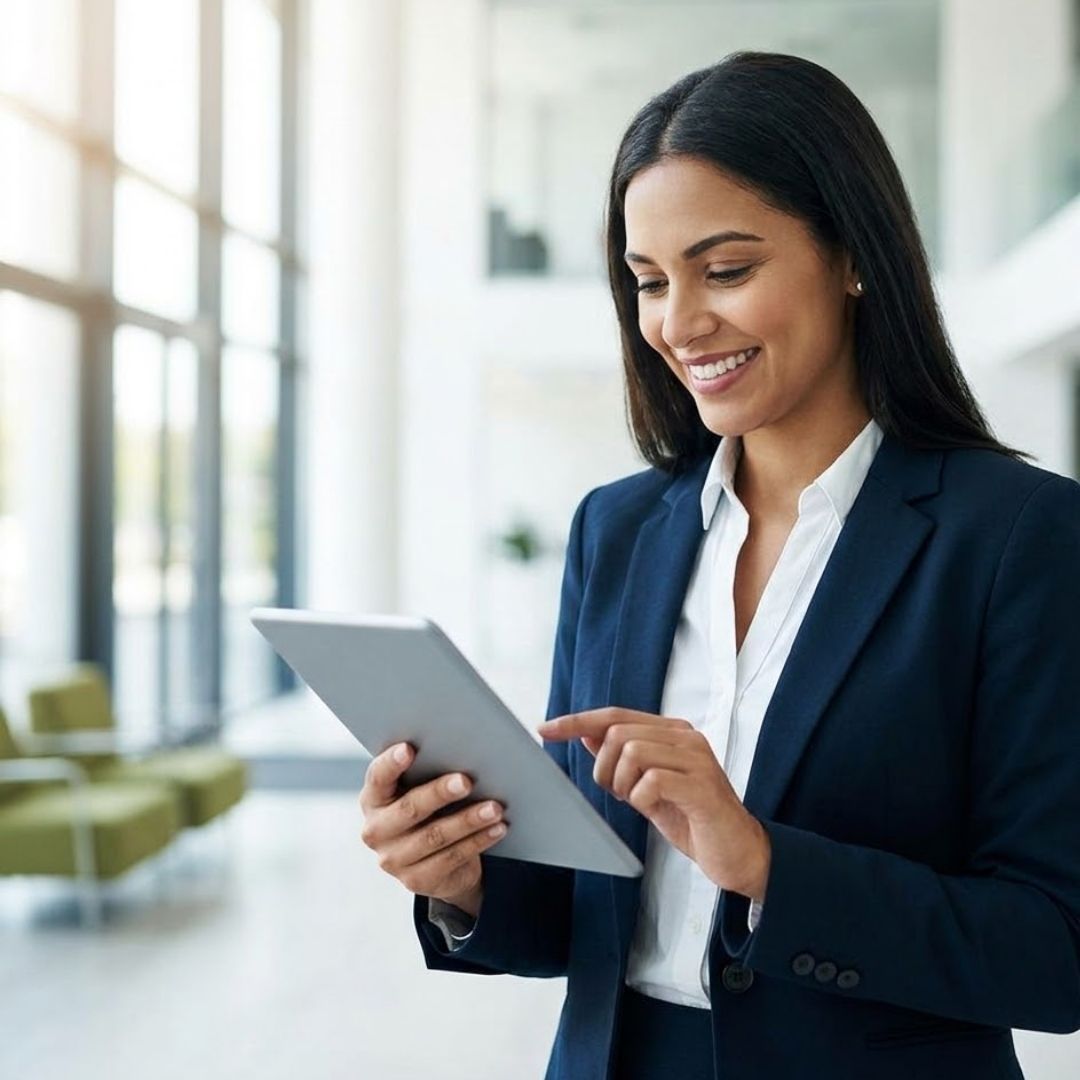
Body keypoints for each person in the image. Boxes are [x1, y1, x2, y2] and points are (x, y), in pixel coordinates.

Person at [358, 51, 1080, 1079]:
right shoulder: (616, 531)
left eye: (727, 269)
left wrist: (767, 864)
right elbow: (582, 914)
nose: (679, 322)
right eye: (649, 282)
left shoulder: (1018, 539)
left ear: (851, 255)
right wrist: (461, 877)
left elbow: (1056, 951)